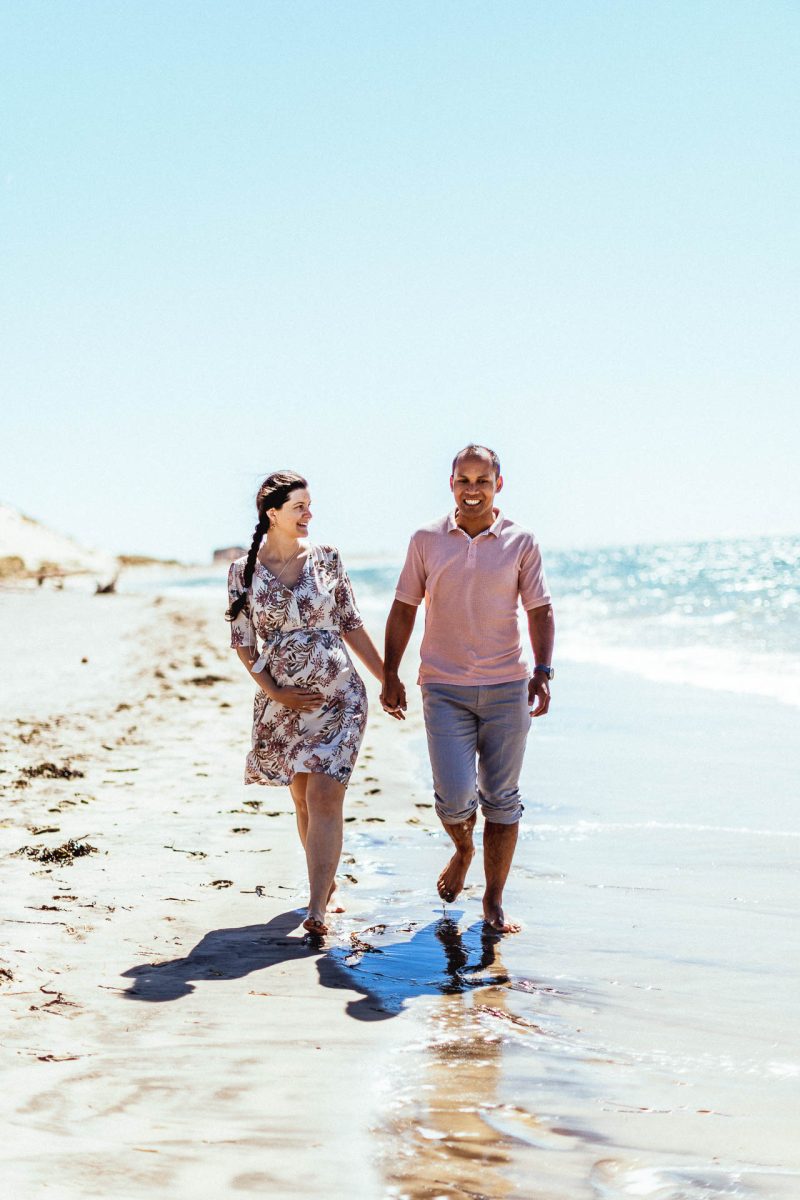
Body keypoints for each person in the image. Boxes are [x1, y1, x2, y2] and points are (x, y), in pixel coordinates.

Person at [381, 445, 555, 934]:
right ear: (451, 483)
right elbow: (404, 607)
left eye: (482, 480)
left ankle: (493, 900)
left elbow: (539, 609)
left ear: (499, 484)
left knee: (502, 797)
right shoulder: (426, 540)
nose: (472, 490)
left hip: (507, 685)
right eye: (464, 480)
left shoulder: (521, 541)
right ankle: (462, 848)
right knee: (456, 797)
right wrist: (391, 673)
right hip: (444, 686)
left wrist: (542, 671)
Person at [226, 470, 386, 936]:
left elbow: (351, 623)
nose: (309, 514)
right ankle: (325, 884)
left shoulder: (328, 558)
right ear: (272, 513)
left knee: (323, 794)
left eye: (309, 506)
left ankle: (316, 906)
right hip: (283, 704)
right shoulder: (242, 572)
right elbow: (243, 641)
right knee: (300, 798)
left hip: (340, 698)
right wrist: (275, 692)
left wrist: (386, 679)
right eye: (300, 507)